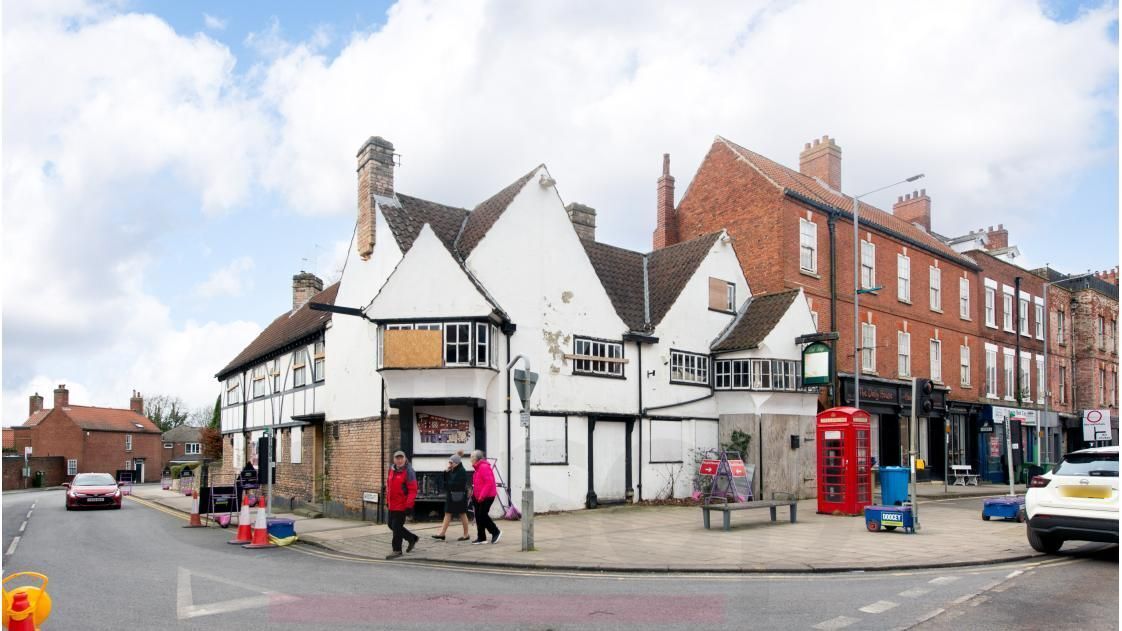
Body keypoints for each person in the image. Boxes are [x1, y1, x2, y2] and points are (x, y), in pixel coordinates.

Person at [385, 450, 418, 559]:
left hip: (402, 505)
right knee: (391, 525)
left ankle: (397, 550)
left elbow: (413, 490)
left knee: (396, 527)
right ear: (394, 459)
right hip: (392, 504)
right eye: (397, 458)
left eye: (401, 458)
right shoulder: (391, 469)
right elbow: (389, 486)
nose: (399, 460)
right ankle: (411, 538)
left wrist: (409, 505)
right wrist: (387, 501)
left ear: (405, 458)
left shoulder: (409, 471)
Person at [432, 452, 471, 541]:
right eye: (449, 462)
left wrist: (448, 479)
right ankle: (442, 533)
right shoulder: (453, 470)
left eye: (451, 462)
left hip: (459, 495)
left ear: (456, 463)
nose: (449, 464)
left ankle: (466, 534)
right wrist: (446, 472)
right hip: (451, 494)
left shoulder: (461, 471)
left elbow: (455, 483)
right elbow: (447, 481)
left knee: (462, 514)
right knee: (447, 513)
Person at [469, 449, 501, 544]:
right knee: (478, 516)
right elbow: (478, 483)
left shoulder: (484, 467)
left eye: (472, 457)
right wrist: (474, 494)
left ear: (477, 458)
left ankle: (495, 532)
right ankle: (481, 537)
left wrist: (482, 496)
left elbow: (489, 483)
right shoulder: (478, 468)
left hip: (487, 496)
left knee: (482, 515)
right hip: (478, 496)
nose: (470, 459)